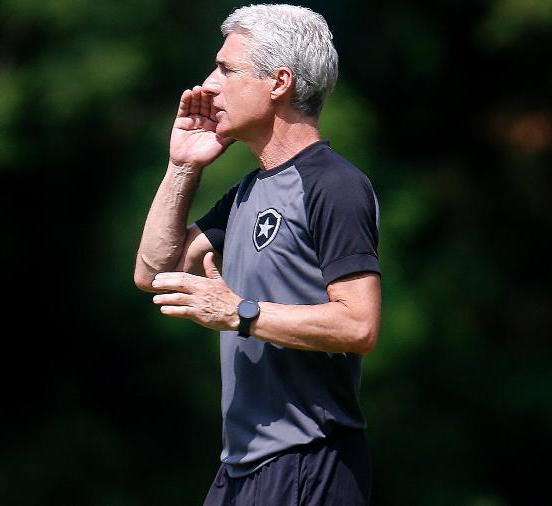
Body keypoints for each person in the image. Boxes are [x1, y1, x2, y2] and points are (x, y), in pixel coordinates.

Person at [133, 4, 381, 505]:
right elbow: (154, 271)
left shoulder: (335, 185)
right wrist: (182, 166)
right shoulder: (248, 192)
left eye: (227, 69)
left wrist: (240, 312)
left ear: (279, 81)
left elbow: (359, 326)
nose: (208, 84)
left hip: (312, 462)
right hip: (240, 470)